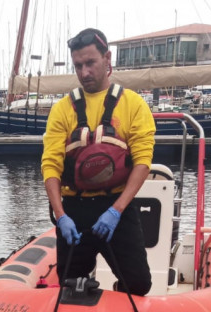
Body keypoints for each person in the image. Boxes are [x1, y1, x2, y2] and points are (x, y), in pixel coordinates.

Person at [41, 28, 155, 296]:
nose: (84, 73)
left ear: (107, 58)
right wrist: (61, 217)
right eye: (78, 66)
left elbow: (142, 162)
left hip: (116, 207)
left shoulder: (133, 105)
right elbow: (50, 166)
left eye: (90, 63)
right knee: (70, 284)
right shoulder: (61, 110)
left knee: (139, 283)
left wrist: (116, 211)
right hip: (74, 209)